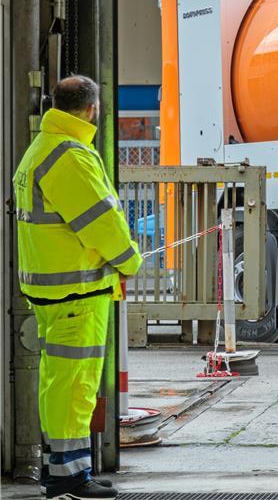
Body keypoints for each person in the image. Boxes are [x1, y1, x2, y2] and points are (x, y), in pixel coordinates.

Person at [14, 75, 141, 499]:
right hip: (77, 295)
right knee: (75, 387)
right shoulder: (70, 156)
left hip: (54, 292)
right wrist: (130, 261)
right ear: (91, 110)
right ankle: (69, 478)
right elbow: (101, 223)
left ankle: (65, 470)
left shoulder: (42, 149)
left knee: (59, 385)